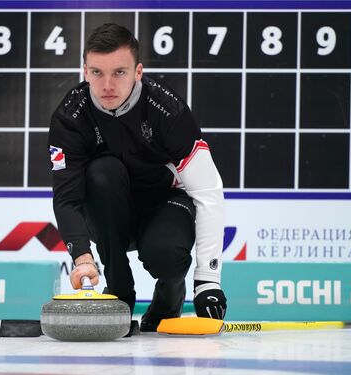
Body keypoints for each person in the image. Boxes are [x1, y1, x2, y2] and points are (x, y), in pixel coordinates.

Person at [48, 23, 227, 332]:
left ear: (138, 71)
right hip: (110, 213)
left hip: (165, 204)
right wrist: (82, 257)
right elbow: (67, 199)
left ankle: (169, 297)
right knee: (102, 172)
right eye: (96, 73)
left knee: (166, 254)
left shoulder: (168, 111)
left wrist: (207, 282)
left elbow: (208, 190)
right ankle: (119, 293)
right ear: (84, 70)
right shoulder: (69, 118)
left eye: (119, 72)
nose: (106, 85)